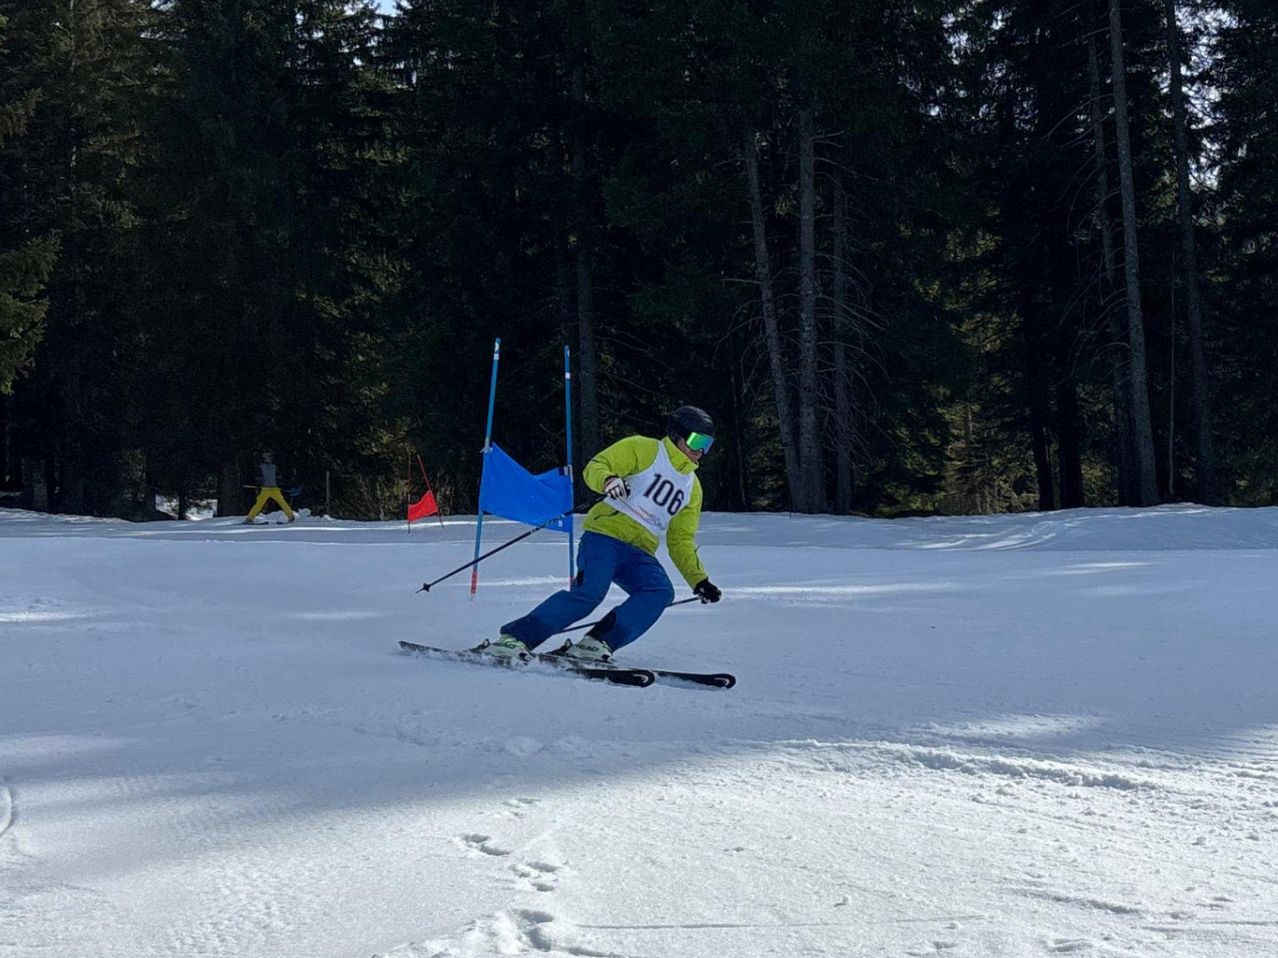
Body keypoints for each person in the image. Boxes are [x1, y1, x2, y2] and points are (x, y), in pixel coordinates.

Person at [485, 405, 722, 663]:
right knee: (589, 593)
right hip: (604, 537)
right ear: (677, 435)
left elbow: (680, 540)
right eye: (697, 441)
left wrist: (699, 580)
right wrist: (608, 480)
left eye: (707, 444)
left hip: (639, 552)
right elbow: (597, 466)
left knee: (659, 592)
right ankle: (515, 638)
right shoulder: (645, 449)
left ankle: (597, 643)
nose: (701, 450)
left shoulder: (692, 488)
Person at [244, 452, 296, 523]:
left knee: (283, 503)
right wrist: (258, 484)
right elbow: (257, 477)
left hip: (275, 489)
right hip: (265, 489)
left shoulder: (275, 467)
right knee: (259, 504)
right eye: (266, 457)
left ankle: (291, 517)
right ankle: (250, 518)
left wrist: (281, 484)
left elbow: (279, 477)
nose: (268, 459)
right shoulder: (260, 466)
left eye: (269, 457)